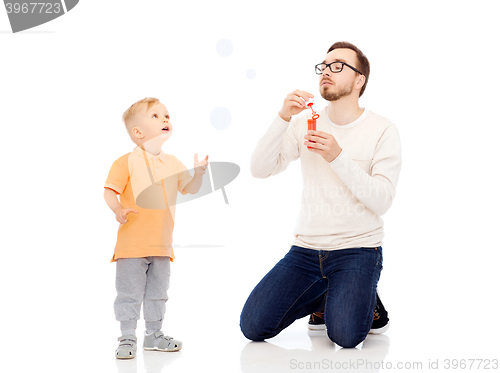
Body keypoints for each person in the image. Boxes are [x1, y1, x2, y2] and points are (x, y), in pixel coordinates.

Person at [240, 42, 401, 348]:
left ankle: (368, 301)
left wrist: (338, 156)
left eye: (338, 65)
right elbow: (260, 169)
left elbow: (382, 200)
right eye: (324, 65)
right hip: (306, 250)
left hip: (358, 248)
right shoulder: (303, 123)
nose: (326, 70)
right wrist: (283, 117)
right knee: (253, 325)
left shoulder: (383, 130)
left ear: (359, 80)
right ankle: (328, 291)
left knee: (345, 336)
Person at [104, 97, 209, 359]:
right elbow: (109, 191)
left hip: (162, 245)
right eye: (156, 116)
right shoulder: (125, 162)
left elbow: (189, 189)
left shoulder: (172, 162)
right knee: (128, 294)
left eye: (166, 115)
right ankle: (127, 336)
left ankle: (154, 335)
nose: (165, 119)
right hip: (131, 247)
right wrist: (117, 209)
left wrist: (197, 175)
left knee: (158, 294)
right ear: (137, 132)